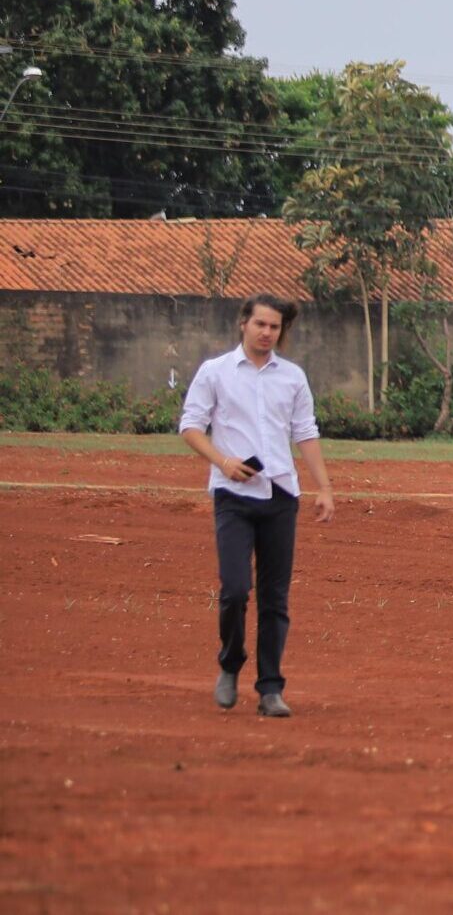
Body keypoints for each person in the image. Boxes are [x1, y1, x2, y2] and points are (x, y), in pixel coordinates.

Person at [178, 294, 334, 718]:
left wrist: (323, 487)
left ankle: (270, 688)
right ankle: (230, 664)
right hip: (233, 497)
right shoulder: (216, 372)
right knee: (234, 590)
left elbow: (305, 431)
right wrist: (223, 462)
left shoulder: (292, 377)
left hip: (281, 495)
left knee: (274, 598)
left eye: (275, 327)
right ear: (243, 324)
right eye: (261, 324)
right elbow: (190, 426)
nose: (267, 333)